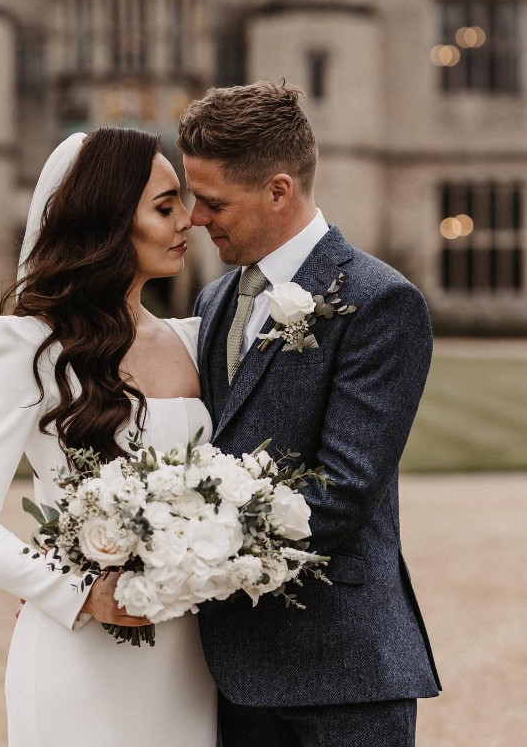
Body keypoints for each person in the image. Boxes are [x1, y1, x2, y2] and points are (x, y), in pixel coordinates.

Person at [177, 80, 441, 747]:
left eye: (212, 202)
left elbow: (344, 490)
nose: (194, 219)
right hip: (231, 671)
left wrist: (174, 549)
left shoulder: (380, 302)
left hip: (342, 671)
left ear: (278, 190)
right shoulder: (213, 302)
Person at [0, 127, 218, 747]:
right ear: (112, 220)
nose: (189, 221)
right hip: (79, 654)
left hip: (191, 659)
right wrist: (80, 594)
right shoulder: (30, 346)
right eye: (165, 206)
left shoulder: (197, 341)